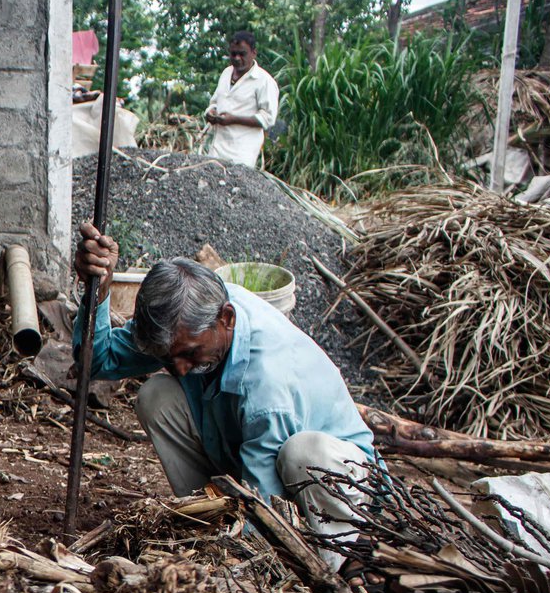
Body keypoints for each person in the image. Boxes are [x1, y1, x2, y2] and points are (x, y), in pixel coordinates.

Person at [73, 224, 378, 569]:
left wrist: (231, 563)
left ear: (227, 319)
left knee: (302, 453)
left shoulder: (267, 382)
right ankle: (208, 521)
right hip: (257, 465)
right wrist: (97, 290)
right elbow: (96, 362)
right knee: (157, 395)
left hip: (341, 487)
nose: (182, 369)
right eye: (169, 358)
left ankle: (344, 562)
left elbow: (264, 503)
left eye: (189, 354)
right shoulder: (183, 325)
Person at [204, 31, 279, 169]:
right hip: (216, 149)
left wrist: (234, 119)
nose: (237, 58)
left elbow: (268, 118)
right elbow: (214, 102)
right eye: (233, 54)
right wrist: (211, 112)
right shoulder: (226, 73)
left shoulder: (264, 81)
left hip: (241, 154)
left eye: (242, 54)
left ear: (253, 53)